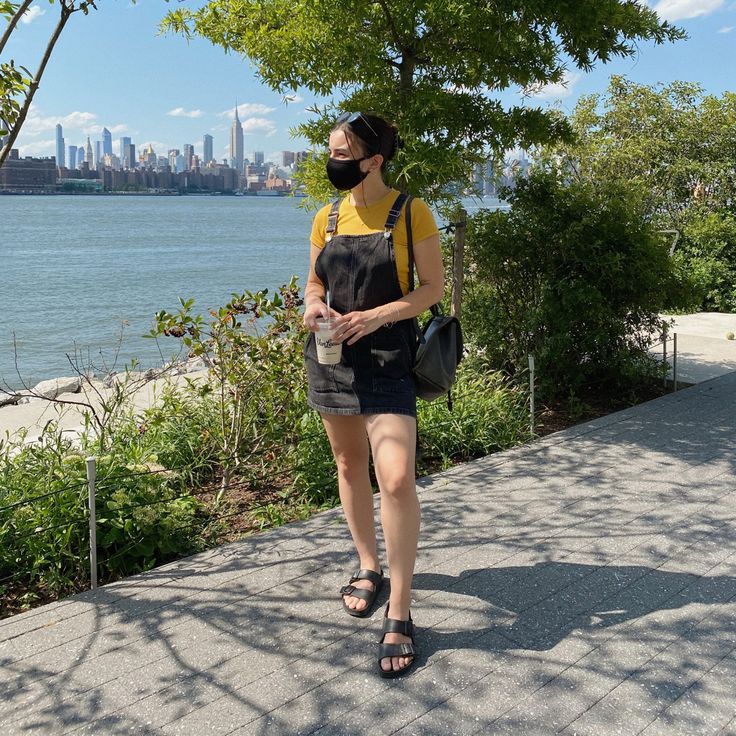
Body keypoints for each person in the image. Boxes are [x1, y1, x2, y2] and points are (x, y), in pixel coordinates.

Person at [302, 111, 444, 678]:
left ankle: (402, 610)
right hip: (333, 357)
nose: (332, 163)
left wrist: (380, 314)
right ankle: (368, 566)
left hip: (389, 360)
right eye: (331, 153)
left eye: (341, 154)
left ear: (374, 160)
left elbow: (432, 288)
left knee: (397, 475)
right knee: (347, 463)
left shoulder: (410, 212)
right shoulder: (326, 216)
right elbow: (314, 281)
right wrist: (313, 307)